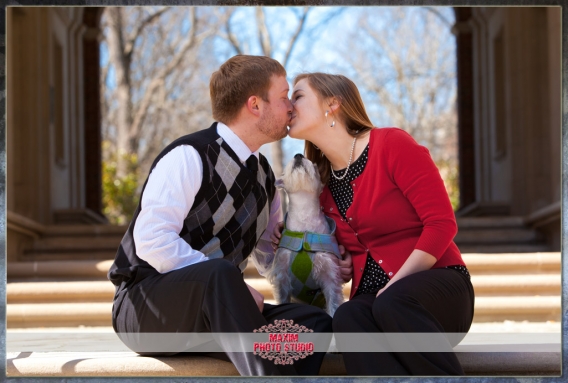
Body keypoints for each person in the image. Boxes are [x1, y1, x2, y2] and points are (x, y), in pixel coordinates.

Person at [107, 56, 336, 376]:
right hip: (146, 306)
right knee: (222, 275)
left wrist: (297, 246)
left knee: (313, 322)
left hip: (217, 312)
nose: (290, 107)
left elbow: (268, 261)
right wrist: (233, 286)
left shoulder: (266, 179)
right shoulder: (188, 156)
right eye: (284, 97)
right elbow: (151, 240)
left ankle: (257, 358)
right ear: (255, 104)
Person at [271, 72, 475, 375]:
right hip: (375, 302)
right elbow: (350, 245)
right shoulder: (323, 188)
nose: (289, 105)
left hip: (437, 289)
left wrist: (391, 287)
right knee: (347, 317)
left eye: (298, 95)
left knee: (391, 303)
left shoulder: (391, 144)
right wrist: (331, 254)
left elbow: (442, 224)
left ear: (333, 104)